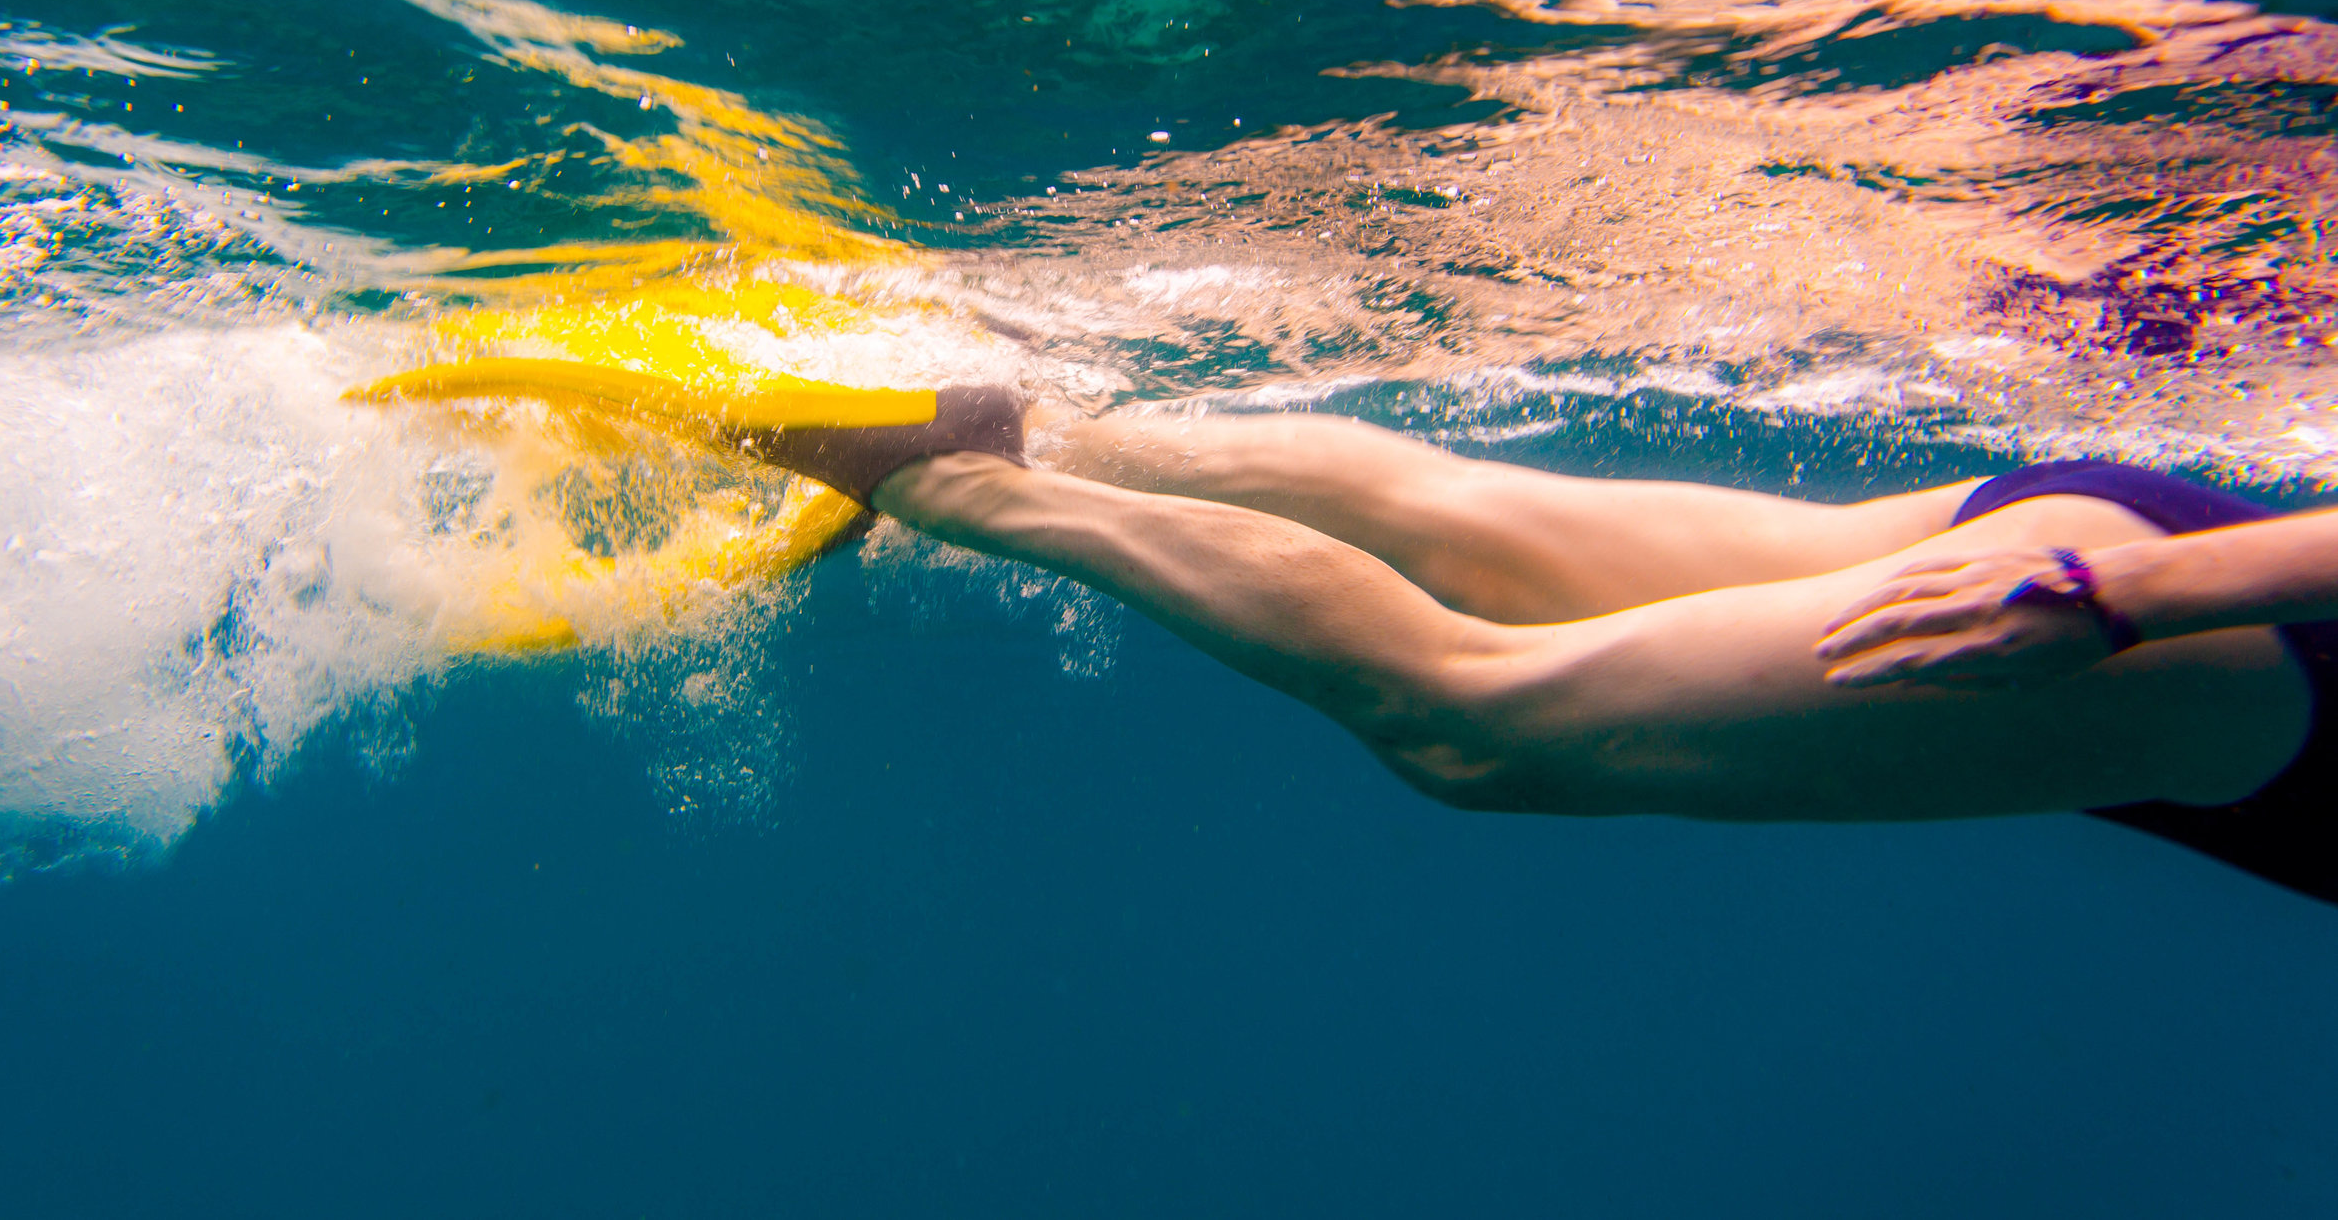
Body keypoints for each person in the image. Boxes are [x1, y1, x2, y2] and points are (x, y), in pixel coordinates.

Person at [740, 387, 2338, 904]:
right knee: (1476, 721)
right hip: (2216, 658)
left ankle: (977, 401)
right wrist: (2124, 605)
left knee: (1472, 528)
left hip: (2162, 551)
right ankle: (948, 481)